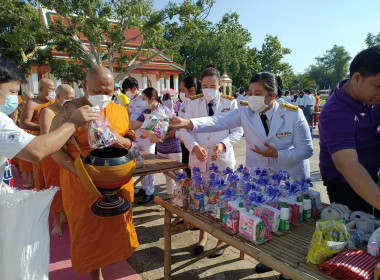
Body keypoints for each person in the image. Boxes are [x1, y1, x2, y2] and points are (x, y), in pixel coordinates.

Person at [0, 57, 98, 280]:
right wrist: (72, 122)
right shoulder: (48, 111)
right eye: (11, 92)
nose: (14, 99)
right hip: (45, 151)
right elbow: (38, 148)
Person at [50, 66, 138, 279]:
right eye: (98, 92)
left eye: (109, 92)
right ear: (84, 87)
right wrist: (78, 172)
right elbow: (53, 147)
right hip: (82, 183)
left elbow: (130, 143)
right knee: (90, 236)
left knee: (117, 229)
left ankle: (117, 262)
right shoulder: (71, 110)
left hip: (117, 183)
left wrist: (118, 138)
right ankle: (95, 275)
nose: (104, 97)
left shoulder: (119, 110)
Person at [171, 71, 313, 179]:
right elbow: (219, 121)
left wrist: (277, 154)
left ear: (273, 96)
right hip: (258, 178)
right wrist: (187, 122)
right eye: (250, 93)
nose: (252, 98)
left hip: (290, 179)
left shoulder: (293, 115)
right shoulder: (245, 111)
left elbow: (306, 150)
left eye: (257, 93)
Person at [178, 65, 243, 258]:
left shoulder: (230, 103)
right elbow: (184, 130)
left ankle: (221, 240)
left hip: (221, 159)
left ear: (220, 84)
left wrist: (224, 144)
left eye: (212, 85)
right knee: (201, 199)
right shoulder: (193, 103)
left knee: (221, 200)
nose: (208, 89)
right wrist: (194, 147)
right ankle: (202, 237)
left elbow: (238, 130)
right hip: (198, 159)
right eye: (204, 85)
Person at [319, 46, 380, 217]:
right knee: (359, 230)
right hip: (347, 184)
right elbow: (347, 165)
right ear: (357, 78)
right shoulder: (336, 113)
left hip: (371, 173)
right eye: (378, 86)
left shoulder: (369, 95)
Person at [131, 87, 182, 201]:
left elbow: (170, 129)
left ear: (152, 99)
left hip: (173, 147)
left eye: (144, 99)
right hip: (161, 148)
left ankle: (180, 202)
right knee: (168, 176)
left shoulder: (164, 110)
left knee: (178, 176)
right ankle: (171, 202)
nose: (142, 101)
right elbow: (135, 125)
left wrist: (153, 133)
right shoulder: (146, 112)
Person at [40, 84, 75, 237]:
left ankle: (66, 214)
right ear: (59, 97)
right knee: (54, 188)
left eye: (73, 98)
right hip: (53, 155)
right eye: (68, 98)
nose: (71, 101)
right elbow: (47, 135)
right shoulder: (47, 111)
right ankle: (56, 222)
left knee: (67, 187)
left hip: (68, 153)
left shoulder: (72, 110)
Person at [122, 77, 156, 203]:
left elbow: (152, 116)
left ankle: (150, 192)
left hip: (146, 137)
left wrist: (149, 133)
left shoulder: (145, 98)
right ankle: (144, 188)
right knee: (139, 162)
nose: (126, 93)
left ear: (134, 89)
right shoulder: (131, 101)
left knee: (149, 164)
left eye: (127, 90)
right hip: (136, 136)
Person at [20, 78, 56, 190]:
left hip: (55, 141)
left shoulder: (55, 102)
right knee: (40, 173)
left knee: (55, 173)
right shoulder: (32, 103)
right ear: (41, 89)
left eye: (54, 90)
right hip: (39, 142)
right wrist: (44, 126)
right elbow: (24, 123)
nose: (53, 92)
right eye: (51, 90)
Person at [178, 76, 200, 178]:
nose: (181, 93)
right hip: (185, 141)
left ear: (192, 90)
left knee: (197, 172)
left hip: (197, 143)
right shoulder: (184, 103)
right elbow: (180, 122)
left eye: (182, 90)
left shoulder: (201, 103)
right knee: (186, 167)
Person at [14, 90, 35, 188]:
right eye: (28, 99)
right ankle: (26, 181)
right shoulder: (17, 107)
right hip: (21, 134)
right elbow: (14, 122)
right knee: (23, 160)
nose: (30, 101)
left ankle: (31, 180)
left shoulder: (31, 106)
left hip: (30, 134)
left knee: (29, 160)